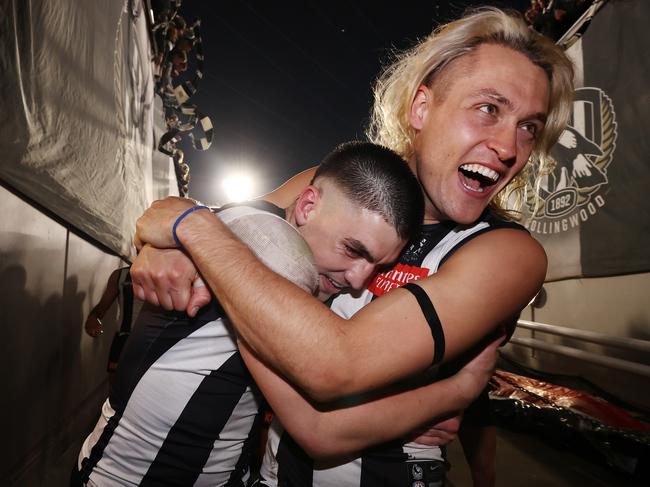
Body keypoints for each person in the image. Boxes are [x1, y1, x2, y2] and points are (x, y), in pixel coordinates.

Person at [132, 7, 575, 485]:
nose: (509, 147)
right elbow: (204, 224)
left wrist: (193, 234)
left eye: (529, 126)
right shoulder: (331, 189)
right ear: (421, 108)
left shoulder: (507, 254)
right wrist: (172, 239)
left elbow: (334, 368)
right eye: (489, 109)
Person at [74, 142, 498, 486]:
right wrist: (457, 391)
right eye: (353, 250)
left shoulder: (271, 231)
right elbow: (320, 430)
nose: (357, 279)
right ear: (308, 206)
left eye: (378, 267)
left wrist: (172, 226)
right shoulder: (276, 254)